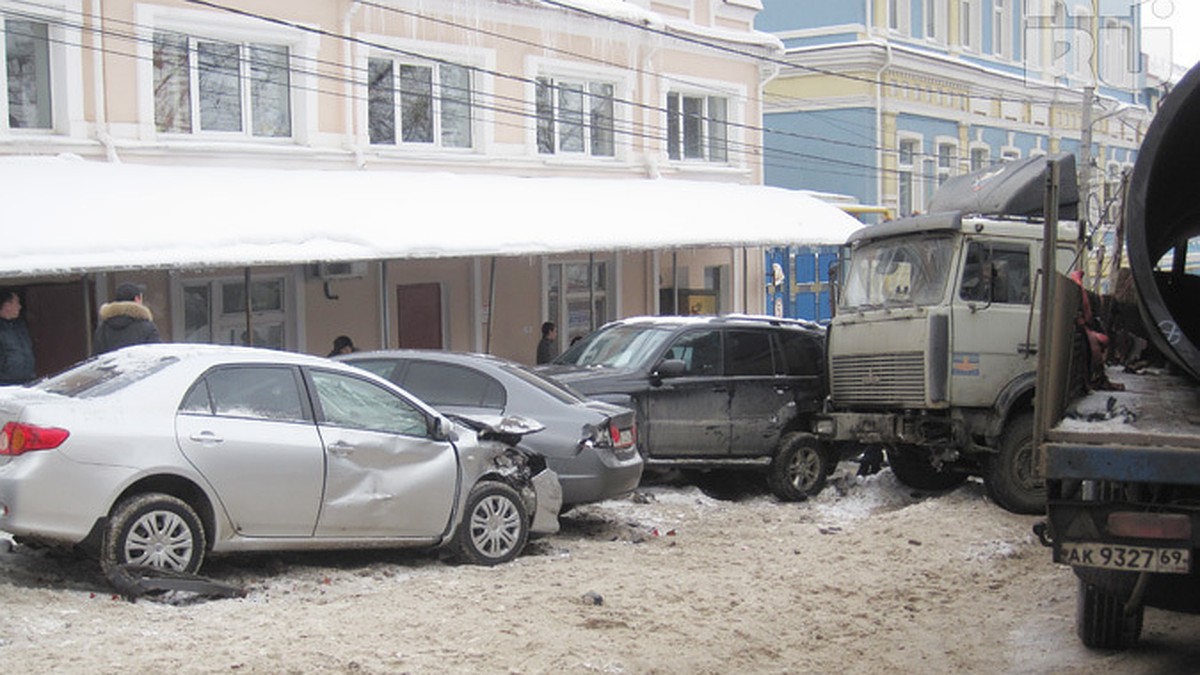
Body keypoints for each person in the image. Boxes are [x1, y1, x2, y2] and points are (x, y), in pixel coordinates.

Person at [93, 282, 162, 355]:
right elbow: (156, 355)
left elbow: (96, 358)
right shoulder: (147, 328)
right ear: (137, 299)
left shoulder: (103, 328)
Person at [0, 288, 35, 385]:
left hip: (27, 379)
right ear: (7, 306)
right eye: (17, 303)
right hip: (5, 382)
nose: (20, 307)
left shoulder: (20, 325)